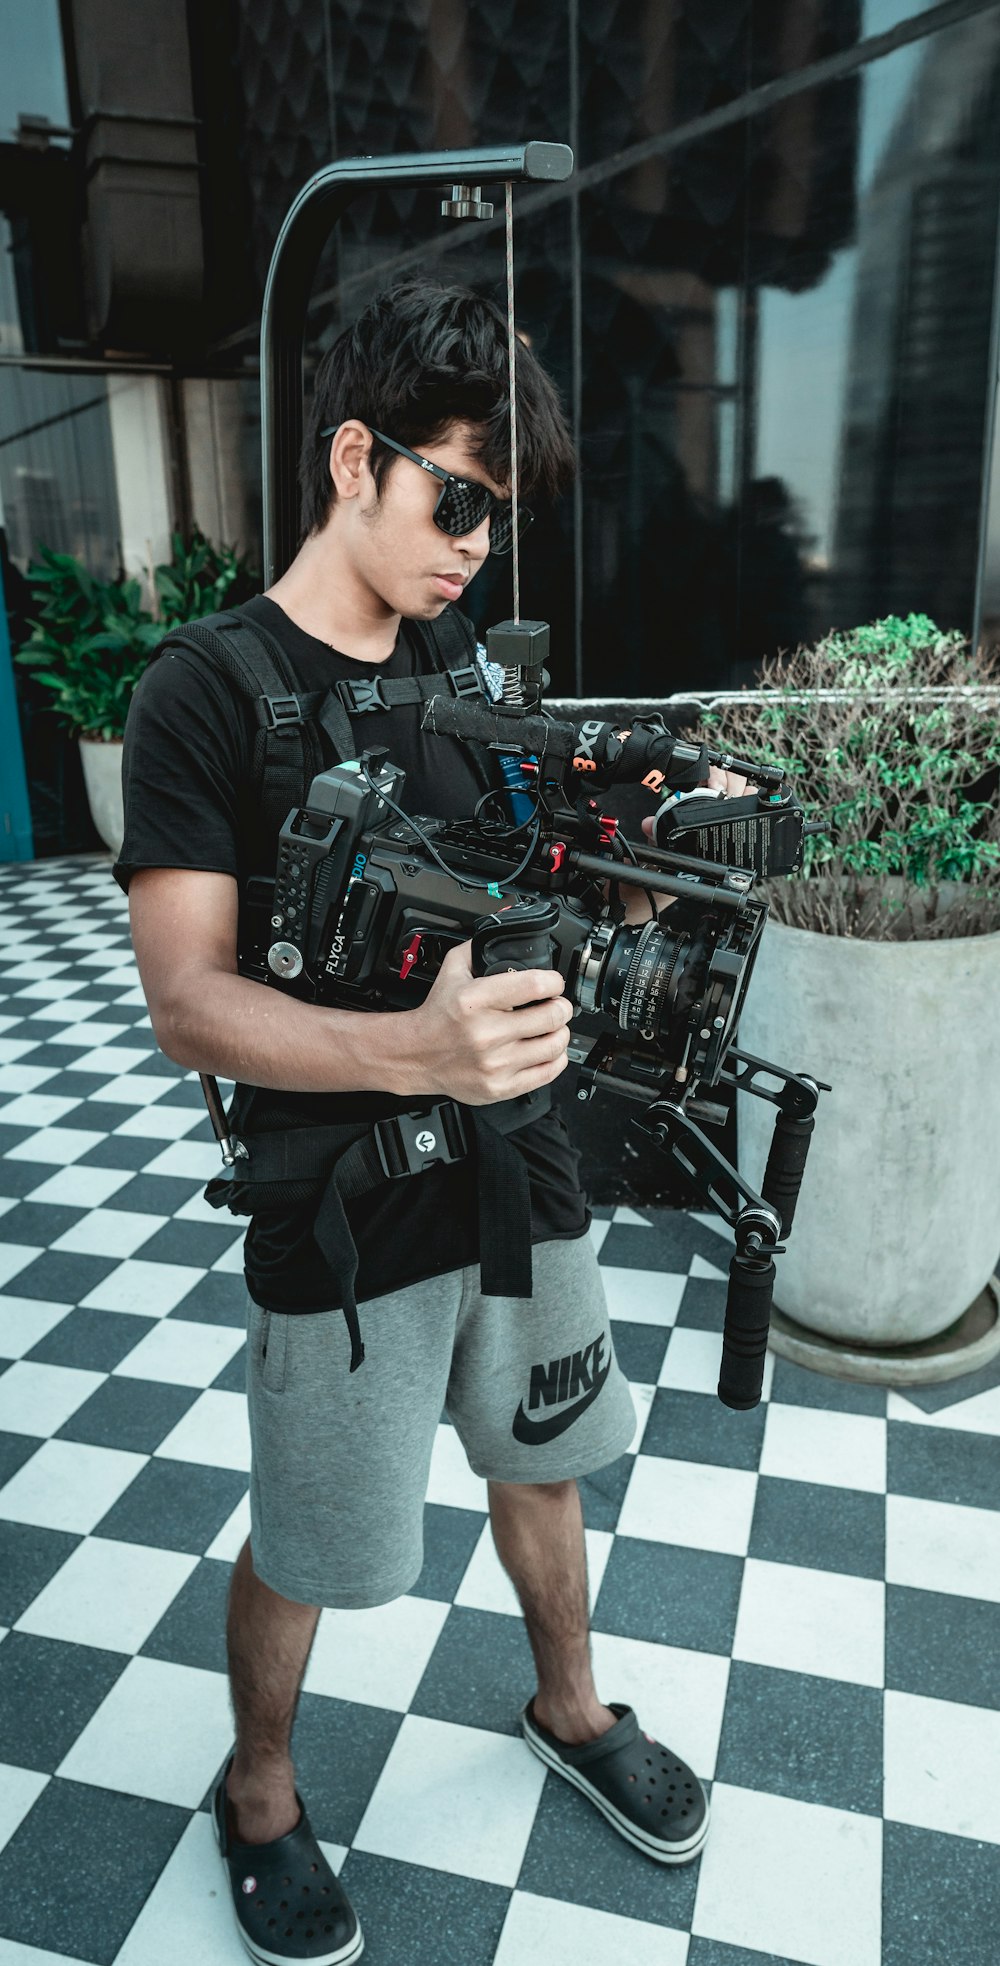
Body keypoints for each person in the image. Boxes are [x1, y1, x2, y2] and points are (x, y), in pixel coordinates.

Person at [116, 281, 734, 1966]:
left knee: (543, 1452)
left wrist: (657, 807)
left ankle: (571, 1703)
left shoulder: (467, 662)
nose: (475, 544)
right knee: (322, 1535)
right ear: (351, 461)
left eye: (497, 517)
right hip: (339, 1193)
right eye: (454, 497)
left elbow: (532, 859)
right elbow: (188, 1002)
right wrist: (417, 1051)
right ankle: (257, 1785)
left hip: (518, 1158)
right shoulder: (206, 693)